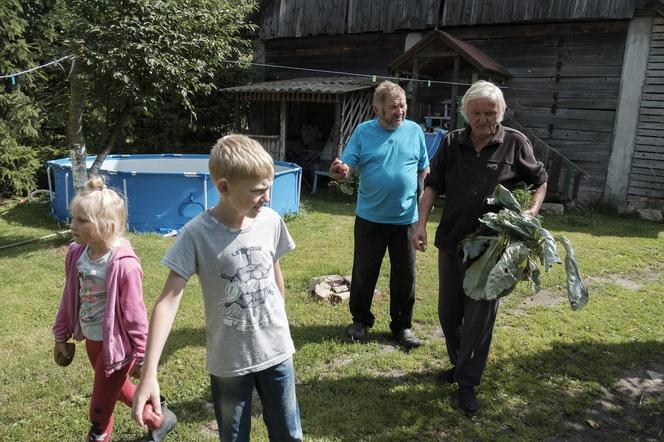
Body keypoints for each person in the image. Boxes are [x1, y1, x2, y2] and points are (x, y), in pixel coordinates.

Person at [132, 135, 303, 441]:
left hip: (277, 353)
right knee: (234, 436)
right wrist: (149, 372)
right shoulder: (196, 234)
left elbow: (275, 277)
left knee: (288, 434)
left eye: (269, 188)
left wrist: (276, 326)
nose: (267, 197)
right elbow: (167, 303)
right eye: (258, 191)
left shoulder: (272, 221)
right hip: (229, 363)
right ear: (224, 187)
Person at [412, 80, 548, 413]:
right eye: (477, 113)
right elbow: (432, 186)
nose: (484, 119)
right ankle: (460, 365)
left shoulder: (515, 143)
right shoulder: (451, 142)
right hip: (452, 241)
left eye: (491, 112)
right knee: (449, 313)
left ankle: (468, 382)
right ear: (465, 113)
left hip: (493, 247)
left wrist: (531, 211)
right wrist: (420, 224)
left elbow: (540, 180)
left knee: (479, 318)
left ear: (500, 112)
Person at [52, 176, 176, 442]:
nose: (72, 224)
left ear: (105, 226)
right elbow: (69, 296)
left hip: (118, 348)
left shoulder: (124, 266)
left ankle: (98, 434)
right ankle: (159, 418)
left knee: (99, 409)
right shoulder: (77, 254)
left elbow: (135, 314)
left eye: (81, 220)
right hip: (92, 342)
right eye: (73, 218)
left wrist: (142, 356)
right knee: (116, 390)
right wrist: (60, 336)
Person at [329, 80, 430, 349]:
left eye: (402, 106)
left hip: (405, 219)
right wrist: (340, 172)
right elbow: (346, 166)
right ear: (377, 109)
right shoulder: (363, 132)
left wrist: (420, 206)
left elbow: (423, 168)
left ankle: (402, 327)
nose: (399, 111)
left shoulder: (414, 131)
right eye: (393, 107)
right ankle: (360, 321)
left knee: (405, 274)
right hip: (370, 218)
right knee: (364, 271)